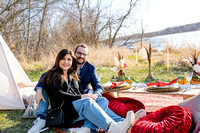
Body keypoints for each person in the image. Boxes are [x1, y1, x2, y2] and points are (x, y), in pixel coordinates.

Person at [28, 44, 146, 133]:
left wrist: (91, 94)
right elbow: (58, 92)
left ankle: (113, 123)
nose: (66, 62)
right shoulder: (53, 74)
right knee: (87, 102)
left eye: (68, 60)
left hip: (74, 104)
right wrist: (38, 89)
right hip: (63, 112)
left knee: (102, 100)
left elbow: (94, 87)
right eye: (63, 59)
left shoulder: (73, 73)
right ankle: (113, 128)